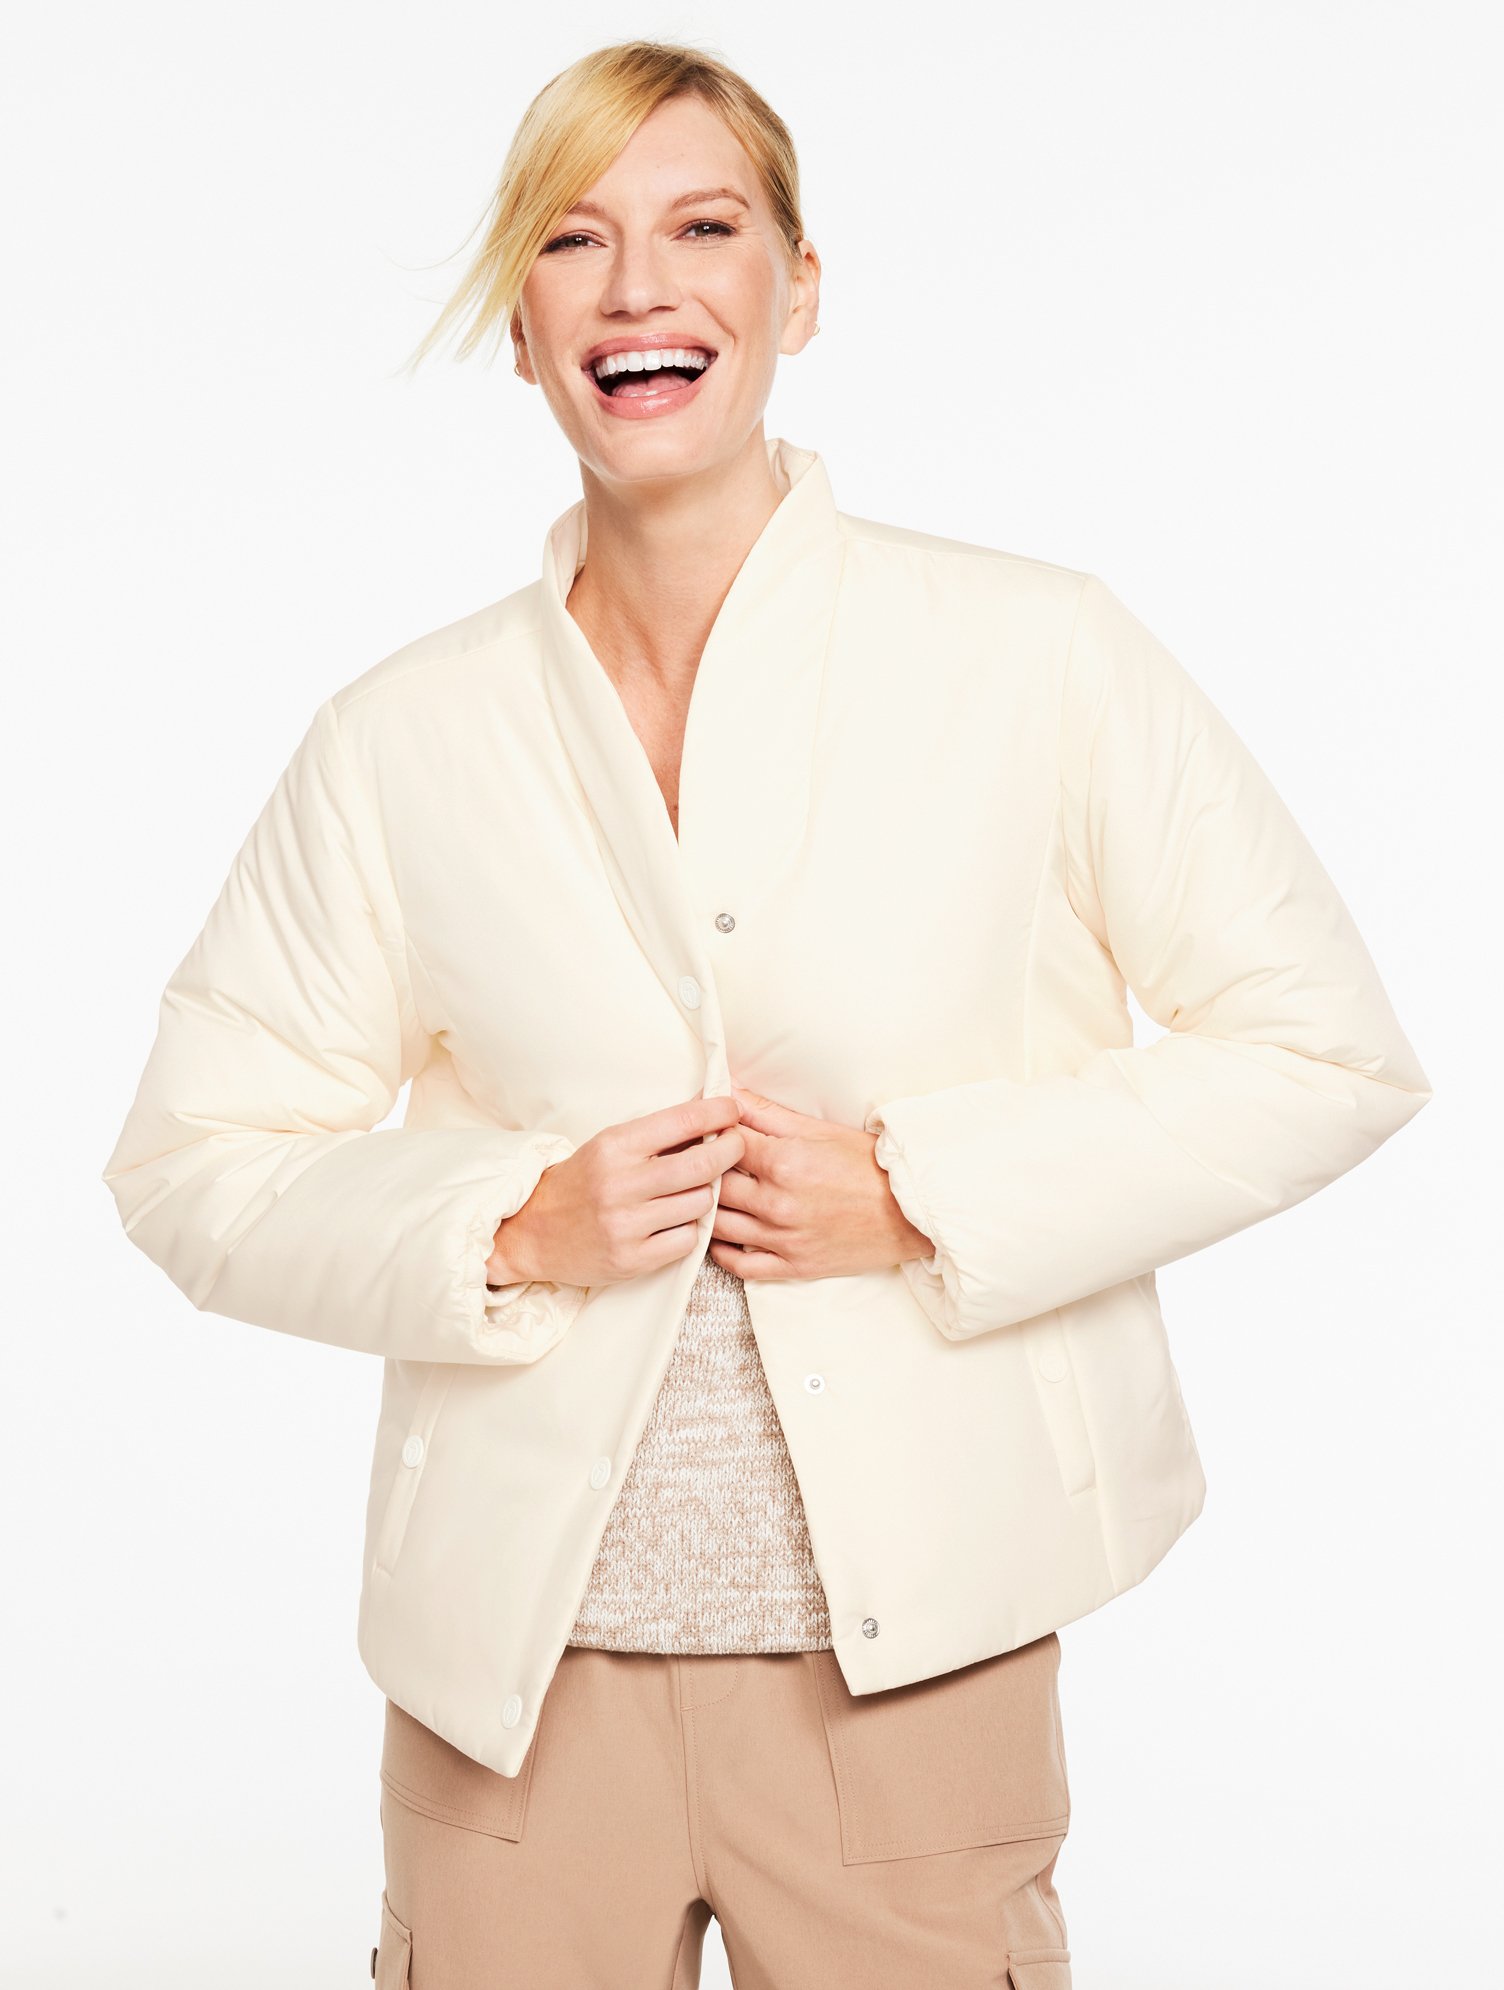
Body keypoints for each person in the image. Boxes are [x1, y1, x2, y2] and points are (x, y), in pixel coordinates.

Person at [99, 38, 1434, 1990]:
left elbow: (1321, 1049)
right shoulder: (401, 739)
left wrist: (918, 1190)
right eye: (572, 240)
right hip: (510, 1702)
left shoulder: (1035, 655)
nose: (637, 285)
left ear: (797, 290)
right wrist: (508, 1221)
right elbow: (190, 1163)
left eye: (702, 227)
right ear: (521, 327)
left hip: (913, 1682)